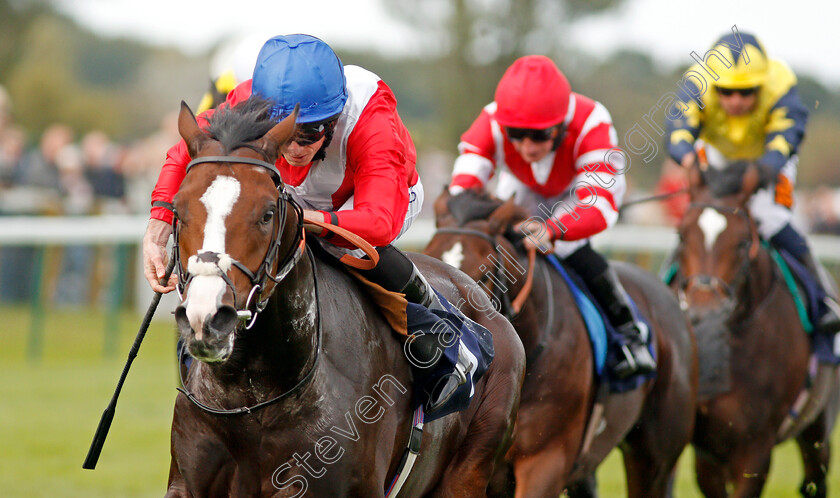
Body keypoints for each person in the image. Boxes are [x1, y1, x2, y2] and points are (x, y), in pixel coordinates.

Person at [143, 34, 474, 413]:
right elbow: (188, 149)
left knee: (343, 248)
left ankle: (441, 334)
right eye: (288, 133)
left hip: (371, 201)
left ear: (334, 118)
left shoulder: (372, 119)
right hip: (285, 195)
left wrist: (308, 219)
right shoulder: (249, 98)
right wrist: (159, 222)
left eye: (312, 132)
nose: (297, 148)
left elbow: (379, 221)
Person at [449, 55, 656, 379]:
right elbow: (463, 185)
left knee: (569, 248)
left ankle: (630, 333)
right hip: (522, 186)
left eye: (539, 135)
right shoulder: (491, 119)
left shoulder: (591, 120)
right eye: (516, 134)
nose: (527, 146)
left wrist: (553, 229)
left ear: (560, 126)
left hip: (581, 189)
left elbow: (597, 203)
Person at [665, 31, 840, 339]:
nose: (735, 101)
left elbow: (787, 138)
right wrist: (688, 159)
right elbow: (678, 127)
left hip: (766, 156)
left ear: (761, 85)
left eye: (746, 92)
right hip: (717, 154)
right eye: (726, 91)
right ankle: (663, 292)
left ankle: (822, 300)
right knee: (700, 221)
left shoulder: (780, 81)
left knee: (771, 219)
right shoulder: (698, 79)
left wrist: (762, 171)